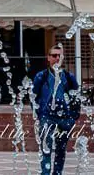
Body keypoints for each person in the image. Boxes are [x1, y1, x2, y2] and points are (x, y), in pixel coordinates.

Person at [32, 44, 81, 175]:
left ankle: (57, 173)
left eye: (60, 55)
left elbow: (76, 97)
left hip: (64, 119)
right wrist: (39, 115)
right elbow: (33, 97)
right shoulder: (41, 77)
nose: (57, 58)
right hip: (47, 118)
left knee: (61, 150)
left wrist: (73, 117)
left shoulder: (68, 77)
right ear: (48, 58)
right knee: (46, 148)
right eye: (54, 55)